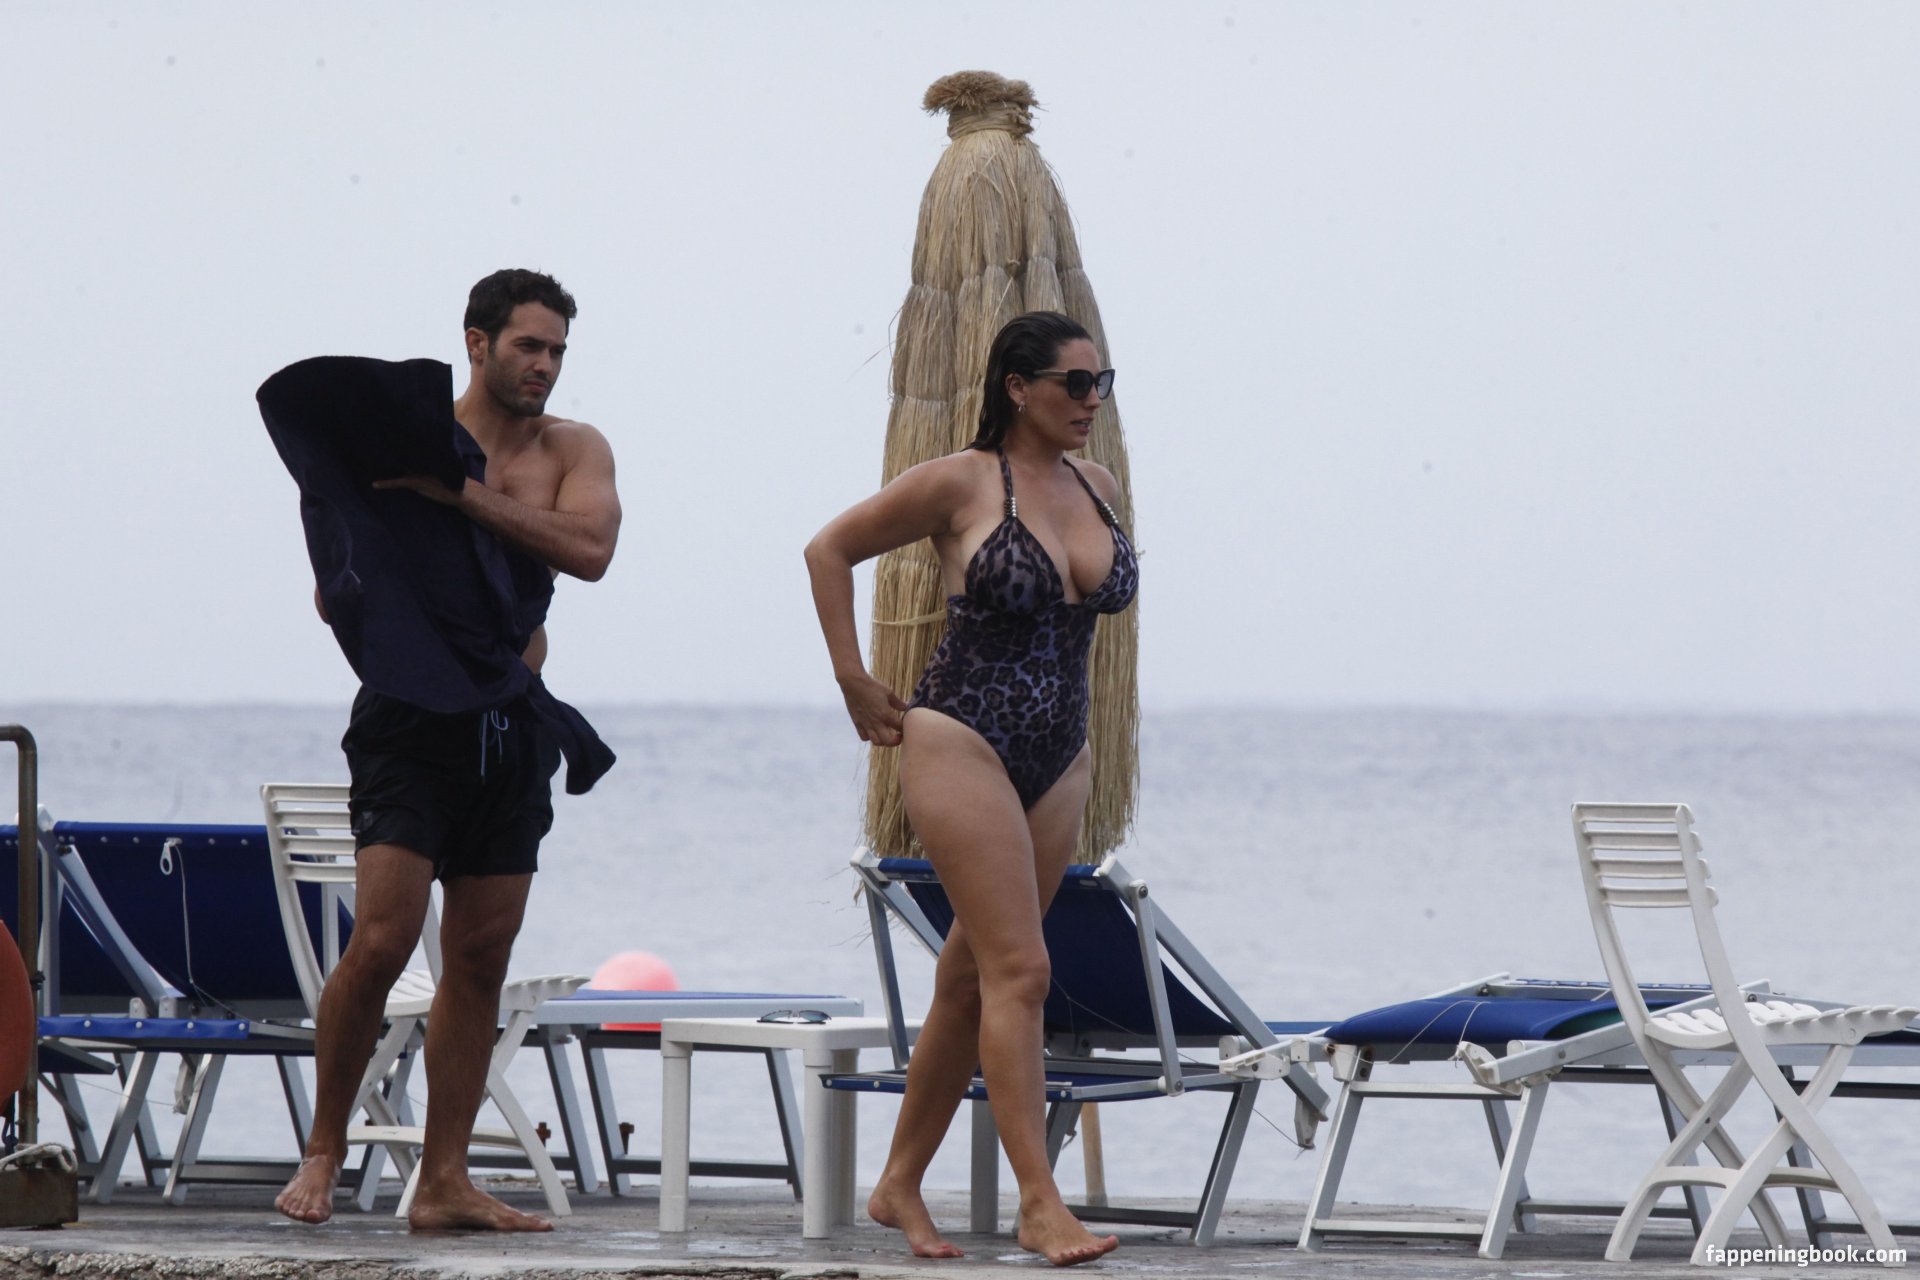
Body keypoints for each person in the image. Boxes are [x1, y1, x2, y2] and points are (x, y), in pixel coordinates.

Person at [275, 269, 621, 1232]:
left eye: (557, 351)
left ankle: (443, 1180)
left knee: (479, 952)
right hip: (409, 719)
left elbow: (590, 552)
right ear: (477, 343)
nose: (545, 366)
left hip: (509, 724)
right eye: (528, 346)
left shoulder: (572, 449)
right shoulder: (413, 444)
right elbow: (337, 579)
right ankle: (324, 1148)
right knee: (384, 939)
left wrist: (460, 497)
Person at [804, 311, 1136, 1266]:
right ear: (1018, 388)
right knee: (1021, 972)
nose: (1092, 401)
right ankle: (1039, 1203)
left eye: (1102, 382)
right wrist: (852, 676)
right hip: (961, 737)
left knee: (968, 975)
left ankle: (898, 1183)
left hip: (1061, 753)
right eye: (1075, 383)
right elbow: (828, 550)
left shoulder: (1098, 486)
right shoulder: (959, 481)